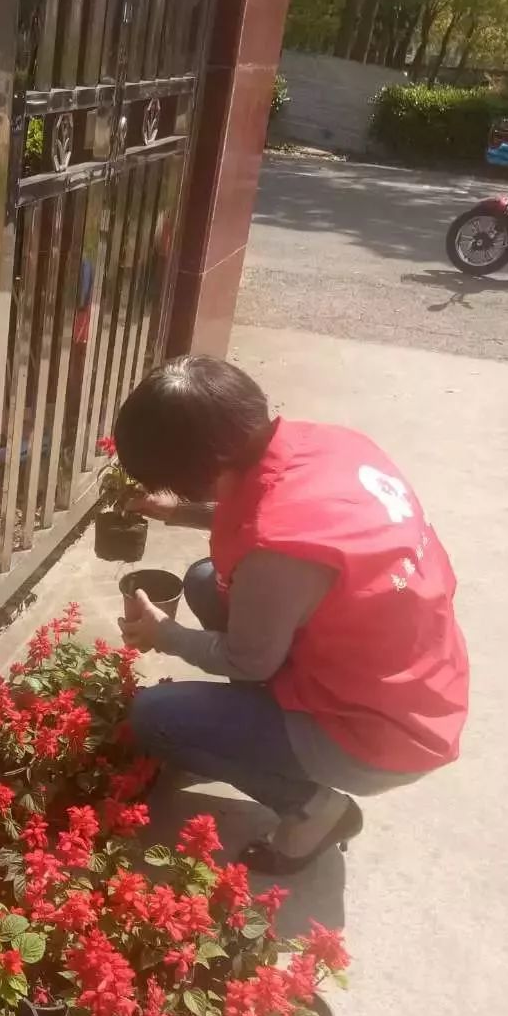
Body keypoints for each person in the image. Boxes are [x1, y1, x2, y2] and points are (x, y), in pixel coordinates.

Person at [114, 356, 468, 874]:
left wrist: (163, 634)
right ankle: (257, 726)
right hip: (417, 684)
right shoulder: (325, 443)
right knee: (205, 579)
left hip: (376, 733)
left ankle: (315, 811)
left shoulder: (276, 550)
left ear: (203, 470)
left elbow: (248, 657)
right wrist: (178, 512)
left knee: (155, 717)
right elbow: (265, 504)